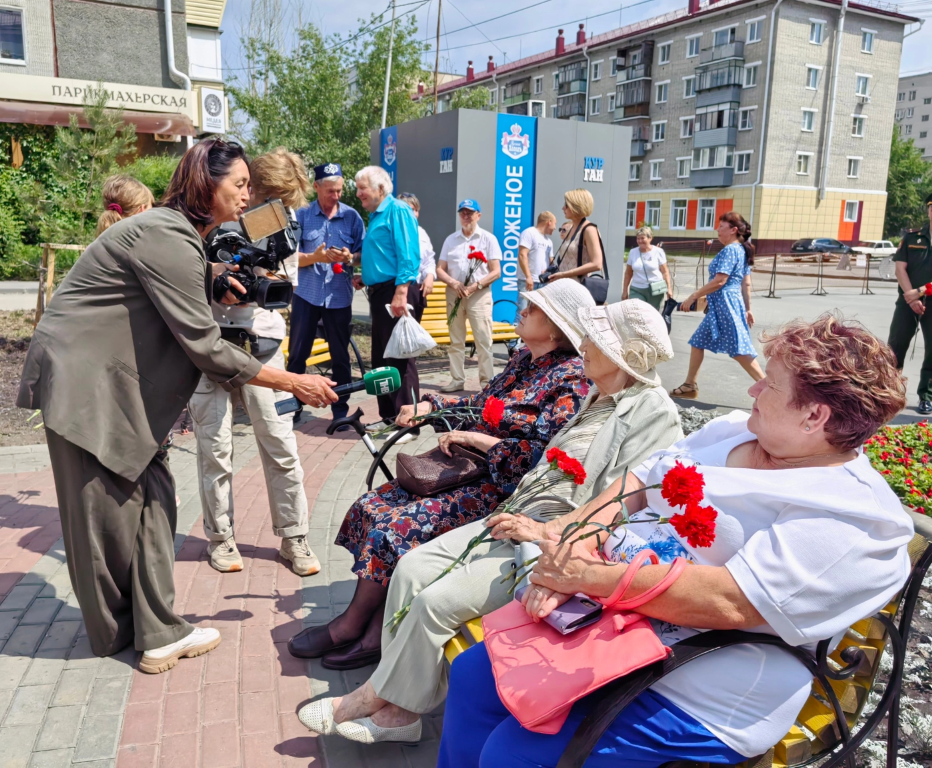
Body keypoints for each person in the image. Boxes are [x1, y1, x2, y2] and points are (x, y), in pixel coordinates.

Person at [439, 313, 913, 768]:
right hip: (608, 625)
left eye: (769, 383)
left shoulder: (850, 519)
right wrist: (578, 537)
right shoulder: (735, 431)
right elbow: (643, 478)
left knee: (514, 754)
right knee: (472, 678)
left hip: (699, 681)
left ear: (814, 415)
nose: (752, 388)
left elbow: (729, 602)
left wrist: (582, 575)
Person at [298, 300, 685, 744]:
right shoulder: (600, 395)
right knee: (409, 569)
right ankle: (394, 701)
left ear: (621, 353)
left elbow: (622, 504)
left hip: (552, 541)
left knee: (433, 603)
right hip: (519, 510)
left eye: (595, 339)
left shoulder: (651, 412)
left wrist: (542, 532)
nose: (584, 345)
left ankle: (381, 703)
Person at [16, 139, 337, 673]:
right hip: (84, 382)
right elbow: (206, 347)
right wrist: (291, 382)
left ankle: (155, 628)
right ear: (205, 185)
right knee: (106, 519)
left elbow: (177, 282)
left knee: (154, 497)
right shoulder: (168, 233)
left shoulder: (177, 235)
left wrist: (216, 277)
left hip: (104, 381)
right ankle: (129, 634)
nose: (247, 194)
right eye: (239, 185)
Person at [287, 279, 596, 671]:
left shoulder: (572, 379)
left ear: (555, 326)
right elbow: (481, 404)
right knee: (372, 504)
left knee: (395, 528)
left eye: (532, 308)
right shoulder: (523, 358)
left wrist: (477, 440)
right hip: (465, 469)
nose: (522, 309)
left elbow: (541, 457)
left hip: (502, 487)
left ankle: (362, 631)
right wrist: (430, 405)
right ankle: (364, 619)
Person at [188, 147, 320, 577]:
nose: (276, 209)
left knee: (281, 445)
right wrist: (217, 273)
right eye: (272, 198)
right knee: (216, 448)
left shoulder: (283, 224)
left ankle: (294, 536)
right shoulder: (207, 218)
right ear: (252, 186)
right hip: (211, 347)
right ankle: (221, 537)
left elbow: (285, 289)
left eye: (286, 203)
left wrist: (262, 274)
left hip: (263, 347)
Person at [290, 162, 365, 423]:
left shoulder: (352, 217)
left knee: (341, 358)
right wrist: (315, 257)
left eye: (340, 190)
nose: (336, 196)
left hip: (339, 298)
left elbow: (361, 257)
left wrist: (349, 257)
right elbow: (289, 258)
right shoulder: (301, 215)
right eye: (330, 191)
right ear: (316, 187)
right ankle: (294, 408)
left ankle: (340, 411)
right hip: (306, 296)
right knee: (298, 355)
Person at [353, 166, 423, 432]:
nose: (358, 193)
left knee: (400, 359)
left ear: (381, 189)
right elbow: (385, 255)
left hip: (396, 291)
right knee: (383, 360)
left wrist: (401, 292)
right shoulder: (376, 214)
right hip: (381, 291)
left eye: (363, 188)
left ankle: (408, 424)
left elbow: (408, 254)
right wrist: (366, 276)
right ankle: (388, 419)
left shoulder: (398, 210)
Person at [672, 211, 763, 399]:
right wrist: (747, 309)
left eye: (721, 227)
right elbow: (745, 283)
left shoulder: (731, 250)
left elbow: (720, 281)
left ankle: (771, 390)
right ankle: (690, 384)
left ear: (733, 230)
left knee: (739, 351)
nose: (718, 230)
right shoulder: (741, 250)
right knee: (697, 342)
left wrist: (693, 296)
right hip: (724, 304)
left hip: (726, 305)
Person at [888, 188, 932, 416]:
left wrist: (920, 292)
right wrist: (911, 297)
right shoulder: (911, 237)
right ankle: (889, 393)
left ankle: (925, 397)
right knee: (895, 348)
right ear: (928, 211)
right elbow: (900, 268)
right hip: (907, 302)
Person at [437, 199, 503, 392]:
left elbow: (496, 271)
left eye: (470, 212)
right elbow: (440, 269)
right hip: (455, 293)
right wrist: (454, 283)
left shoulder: (488, 239)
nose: (466, 216)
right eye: (462, 213)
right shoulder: (451, 239)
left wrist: (476, 285)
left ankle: (486, 383)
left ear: (478, 215)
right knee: (456, 340)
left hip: (479, 294)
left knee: (483, 340)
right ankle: (457, 380)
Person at [547, 189, 605, 288]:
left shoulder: (589, 229)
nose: (563, 208)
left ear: (577, 206)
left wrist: (563, 274)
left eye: (567, 205)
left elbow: (597, 264)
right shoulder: (571, 228)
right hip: (563, 286)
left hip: (577, 289)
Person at [515, 211, 556, 323]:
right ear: (549, 222)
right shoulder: (529, 233)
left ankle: (530, 340)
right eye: (554, 224)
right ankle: (515, 340)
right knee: (523, 311)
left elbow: (551, 262)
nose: (555, 228)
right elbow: (522, 254)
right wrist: (528, 277)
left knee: (538, 314)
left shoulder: (549, 241)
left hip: (543, 283)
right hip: (527, 281)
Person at [397, 193, 437, 302]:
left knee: (414, 320)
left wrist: (430, 276)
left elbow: (429, 260)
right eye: (411, 210)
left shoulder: (422, 233)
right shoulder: (392, 232)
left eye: (416, 210)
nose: (414, 214)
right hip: (397, 289)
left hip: (417, 289)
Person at [623, 225, 673, 311]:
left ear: (650, 238)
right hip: (637, 288)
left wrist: (669, 288)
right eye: (638, 238)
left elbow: (665, 272)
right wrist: (625, 291)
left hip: (657, 288)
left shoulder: (658, 252)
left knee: (652, 314)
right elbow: (628, 273)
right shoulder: (633, 252)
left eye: (643, 238)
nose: (640, 241)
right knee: (636, 312)